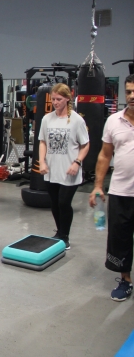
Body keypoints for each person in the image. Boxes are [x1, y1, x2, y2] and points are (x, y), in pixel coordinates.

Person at [89, 74, 134, 301]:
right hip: (121, 191)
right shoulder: (114, 121)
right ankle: (125, 280)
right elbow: (105, 155)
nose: (132, 96)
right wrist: (98, 185)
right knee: (120, 238)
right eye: (129, 92)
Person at [39, 83, 89, 250]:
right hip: (51, 169)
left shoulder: (77, 120)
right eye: (53, 99)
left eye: (59, 99)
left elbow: (86, 145)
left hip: (70, 170)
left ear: (68, 98)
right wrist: (42, 161)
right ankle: (59, 232)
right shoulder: (47, 119)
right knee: (54, 203)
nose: (55, 102)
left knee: (63, 203)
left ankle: (65, 237)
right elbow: (43, 142)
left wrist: (77, 162)